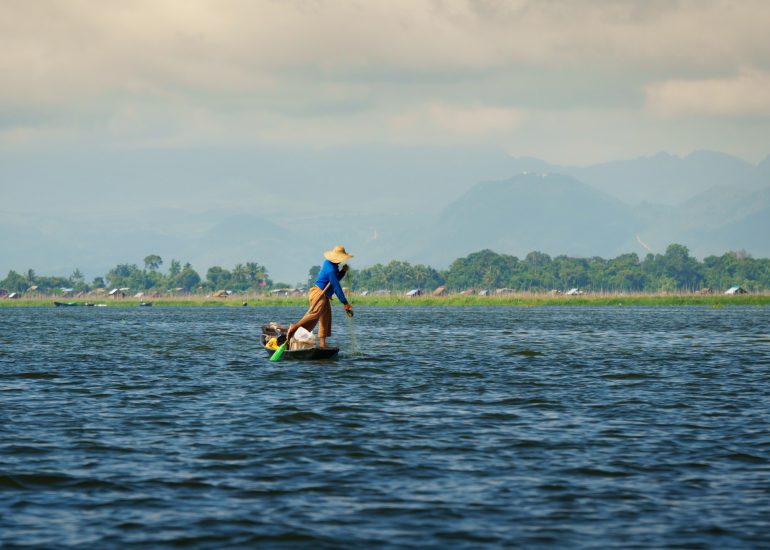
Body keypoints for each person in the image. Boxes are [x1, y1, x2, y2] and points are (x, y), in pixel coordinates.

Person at [286, 245, 353, 349]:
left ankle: (322, 345)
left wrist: (343, 271)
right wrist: (345, 302)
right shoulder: (331, 269)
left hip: (325, 295)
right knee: (314, 315)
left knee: (325, 319)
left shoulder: (330, 264)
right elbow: (335, 286)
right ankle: (294, 327)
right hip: (319, 293)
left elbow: (332, 281)